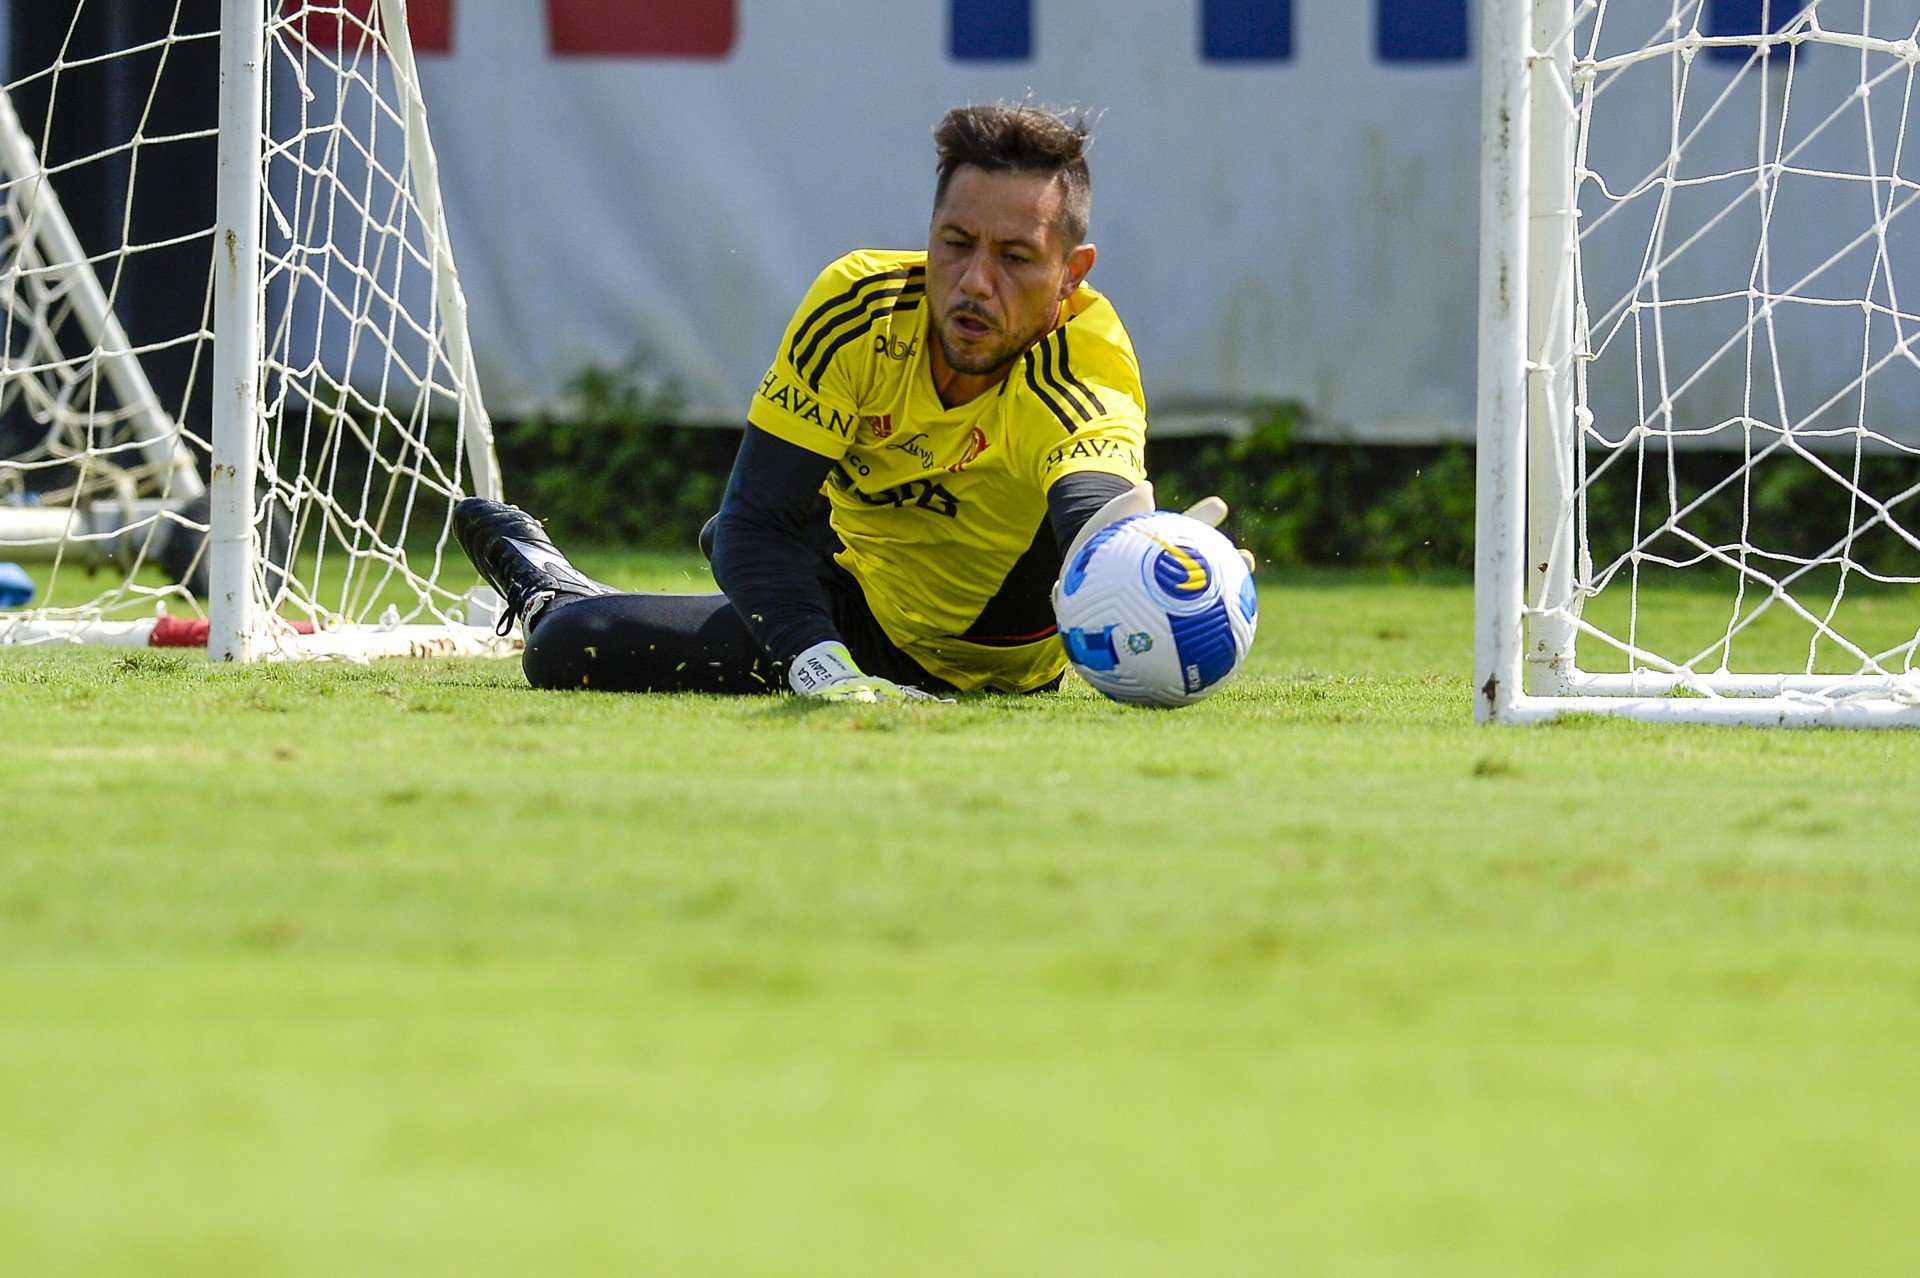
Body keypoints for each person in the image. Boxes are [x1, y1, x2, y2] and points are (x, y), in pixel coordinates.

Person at [455, 102, 1238, 701]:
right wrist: (821, 667)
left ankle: (664, 595)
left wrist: (1153, 561)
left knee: (698, 572)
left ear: (1072, 275)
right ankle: (555, 591)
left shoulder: (1086, 364)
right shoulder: (860, 308)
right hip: (852, 598)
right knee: (578, 637)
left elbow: (1093, 516)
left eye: (1016, 258)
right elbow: (758, 521)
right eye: (956, 244)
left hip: (986, 661)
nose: (975, 283)